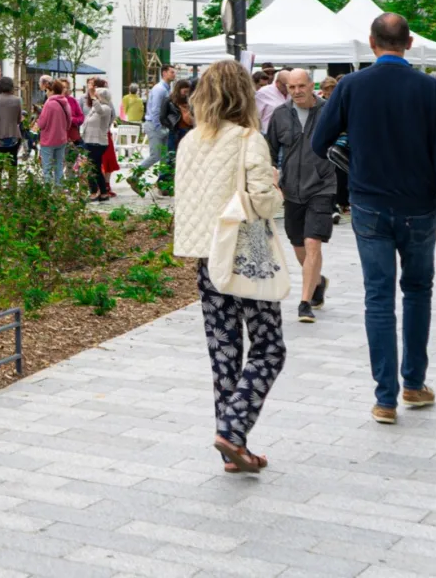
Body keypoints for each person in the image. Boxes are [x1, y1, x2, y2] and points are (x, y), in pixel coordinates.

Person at [309, 13, 436, 424]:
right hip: (419, 207)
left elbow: (319, 140)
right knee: (417, 292)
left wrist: (352, 151)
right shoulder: (430, 89)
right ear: (408, 43)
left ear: (372, 43)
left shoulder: (352, 87)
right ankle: (413, 383)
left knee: (378, 297)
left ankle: (385, 399)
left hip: (370, 204)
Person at [172, 58, 286, 474]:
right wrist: (276, 188)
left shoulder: (189, 142)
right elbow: (262, 201)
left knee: (224, 353)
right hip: (248, 248)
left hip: (207, 255)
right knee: (269, 348)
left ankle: (231, 448)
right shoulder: (247, 139)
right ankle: (234, 431)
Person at [265, 69, 332, 323]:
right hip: (291, 189)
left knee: (313, 241)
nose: (296, 92)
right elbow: (269, 150)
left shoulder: (329, 111)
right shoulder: (280, 115)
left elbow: (347, 141)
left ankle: (304, 303)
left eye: (301, 86)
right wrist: (272, 177)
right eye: (291, 87)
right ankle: (317, 281)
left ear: (311, 85)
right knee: (298, 243)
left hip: (323, 186)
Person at [35, 77, 79, 189]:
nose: (46, 93)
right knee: (59, 166)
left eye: (47, 91)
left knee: (47, 167)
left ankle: (48, 191)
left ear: (52, 91)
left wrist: (38, 121)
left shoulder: (49, 104)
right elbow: (69, 123)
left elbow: (42, 123)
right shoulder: (65, 103)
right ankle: (59, 190)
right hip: (62, 139)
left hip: (48, 140)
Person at [80, 77, 115, 199]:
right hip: (91, 141)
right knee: (95, 167)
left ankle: (94, 192)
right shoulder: (97, 107)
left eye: (98, 95)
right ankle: (103, 192)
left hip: (97, 142)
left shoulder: (105, 108)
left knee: (91, 167)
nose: (95, 97)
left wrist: (92, 95)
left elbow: (99, 110)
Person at [141, 64, 175, 175]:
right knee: (155, 156)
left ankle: (162, 182)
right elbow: (155, 110)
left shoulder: (166, 89)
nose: (174, 74)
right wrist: (158, 127)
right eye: (172, 72)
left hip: (160, 125)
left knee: (164, 157)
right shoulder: (160, 89)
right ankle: (135, 175)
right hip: (155, 125)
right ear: (164, 73)